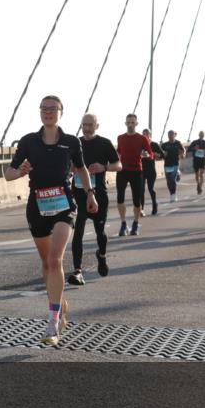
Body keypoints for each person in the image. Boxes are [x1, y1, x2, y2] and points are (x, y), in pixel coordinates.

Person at [5, 96, 98, 346]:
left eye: (52, 109)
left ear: (61, 112)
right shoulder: (28, 141)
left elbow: (81, 169)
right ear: (40, 113)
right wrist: (20, 171)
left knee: (56, 259)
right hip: (37, 205)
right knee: (46, 264)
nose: (48, 112)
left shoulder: (71, 142)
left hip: (63, 205)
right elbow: (8, 174)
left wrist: (90, 193)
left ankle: (52, 321)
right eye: (44, 108)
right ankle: (60, 303)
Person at [67, 113, 121, 286]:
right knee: (78, 233)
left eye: (90, 125)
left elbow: (118, 165)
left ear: (97, 126)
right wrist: (71, 170)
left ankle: (102, 255)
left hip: (100, 195)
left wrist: (103, 167)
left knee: (100, 233)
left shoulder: (104, 143)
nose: (87, 128)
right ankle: (77, 271)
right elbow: (67, 165)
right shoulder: (75, 143)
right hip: (78, 194)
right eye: (84, 125)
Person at [116, 114, 153, 236]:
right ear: (125, 123)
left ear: (136, 124)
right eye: (128, 122)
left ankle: (135, 224)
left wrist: (146, 155)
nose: (130, 124)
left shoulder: (142, 139)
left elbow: (150, 154)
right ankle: (123, 224)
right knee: (120, 198)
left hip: (136, 171)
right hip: (122, 171)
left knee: (136, 201)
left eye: (133, 122)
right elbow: (119, 153)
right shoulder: (120, 138)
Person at [140, 128, 164, 216]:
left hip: (151, 170)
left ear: (150, 135)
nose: (145, 136)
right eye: (143, 134)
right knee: (141, 190)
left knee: (151, 189)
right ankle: (141, 209)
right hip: (141, 170)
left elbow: (162, 155)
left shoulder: (154, 144)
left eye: (146, 134)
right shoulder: (140, 145)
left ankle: (155, 205)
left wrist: (152, 154)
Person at [160, 130, 185, 202]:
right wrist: (162, 155)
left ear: (175, 135)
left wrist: (183, 154)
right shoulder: (164, 145)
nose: (170, 136)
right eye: (169, 134)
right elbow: (160, 153)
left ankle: (173, 195)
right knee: (168, 181)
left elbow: (183, 150)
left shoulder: (178, 143)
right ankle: (171, 193)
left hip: (175, 163)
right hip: (167, 164)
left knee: (173, 180)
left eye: (172, 134)